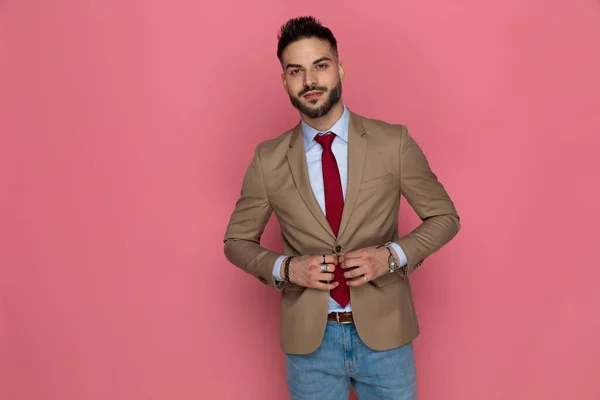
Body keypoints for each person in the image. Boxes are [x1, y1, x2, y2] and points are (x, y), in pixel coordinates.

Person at [223, 16, 460, 400]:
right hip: (310, 347)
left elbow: (445, 217)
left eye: (320, 65)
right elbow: (236, 241)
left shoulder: (392, 142)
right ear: (284, 81)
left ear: (340, 68)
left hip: (387, 338)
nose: (310, 81)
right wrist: (286, 267)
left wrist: (391, 256)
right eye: (295, 71)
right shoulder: (267, 160)